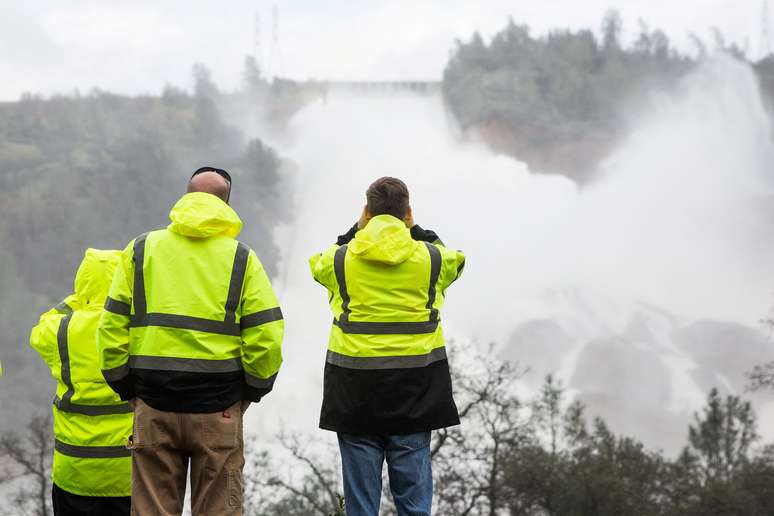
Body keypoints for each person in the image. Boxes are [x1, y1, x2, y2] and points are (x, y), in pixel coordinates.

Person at [97, 166, 284, 516]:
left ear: (186, 197)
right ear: (227, 204)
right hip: (219, 409)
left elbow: (110, 329)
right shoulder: (242, 259)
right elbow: (266, 336)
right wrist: (251, 392)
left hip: (153, 406)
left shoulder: (141, 250)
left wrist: (128, 390)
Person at [309, 177, 465, 515]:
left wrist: (357, 230)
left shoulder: (340, 261)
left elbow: (320, 261)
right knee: (414, 505)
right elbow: (455, 258)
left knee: (361, 506)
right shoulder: (433, 260)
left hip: (354, 394)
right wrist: (416, 228)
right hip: (415, 393)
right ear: (407, 213)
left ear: (366, 212)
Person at [30, 248, 132, 516]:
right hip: (129, 471)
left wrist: (79, 300)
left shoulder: (60, 330)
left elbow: (41, 325)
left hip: (74, 471)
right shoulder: (134, 328)